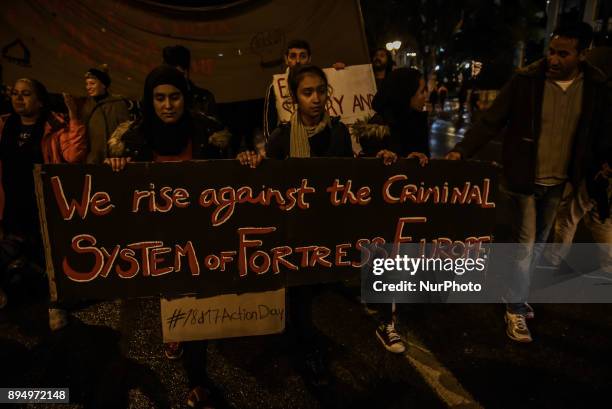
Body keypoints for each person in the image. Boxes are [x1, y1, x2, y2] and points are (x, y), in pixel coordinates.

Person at [445, 22, 610, 343]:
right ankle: (516, 309)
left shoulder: (595, 87)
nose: (554, 59)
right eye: (551, 51)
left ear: (583, 54)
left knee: (538, 245)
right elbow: (492, 119)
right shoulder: (526, 81)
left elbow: (600, 132)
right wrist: (460, 152)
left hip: (559, 182)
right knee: (526, 245)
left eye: (563, 53)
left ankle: (514, 293)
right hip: (523, 180)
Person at [106, 65, 230, 408]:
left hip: (201, 232)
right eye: (159, 98)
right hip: (156, 235)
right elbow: (117, 191)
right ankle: (176, 330)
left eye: (174, 97)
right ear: (150, 100)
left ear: (184, 98)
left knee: (193, 298)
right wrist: (116, 167)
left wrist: (247, 157)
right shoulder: (133, 139)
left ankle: (197, 380)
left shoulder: (208, 132)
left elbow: (231, 172)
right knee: (172, 293)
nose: (167, 105)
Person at [239, 64, 353, 387]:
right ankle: (306, 350)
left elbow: (354, 179)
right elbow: (270, 187)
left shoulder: (340, 133)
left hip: (327, 231)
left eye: (321, 91)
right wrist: (253, 162)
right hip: (295, 234)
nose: (316, 99)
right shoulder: (281, 139)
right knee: (300, 296)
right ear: (293, 98)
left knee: (316, 292)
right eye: (308, 92)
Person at [354, 67, 430, 354]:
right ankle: (386, 323)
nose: (425, 95)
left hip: (407, 208)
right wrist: (379, 158)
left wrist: (419, 159)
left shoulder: (417, 120)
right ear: (404, 94)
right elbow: (363, 169)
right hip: (381, 213)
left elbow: (422, 157)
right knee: (387, 258)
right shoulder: (377, 127)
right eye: (420, 90)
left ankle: (383, 304)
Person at [0, 78, 86, 327]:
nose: (18, 98)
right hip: (11, 205)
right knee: (10, 248)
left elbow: (74, 156)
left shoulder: (55, 124)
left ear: (39, 101)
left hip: (44, 206)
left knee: (52, 259)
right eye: (15, 93)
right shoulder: (5, 124)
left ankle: (56, 305)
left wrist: (75, 118)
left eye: (26, 94)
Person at [263, 39, 346, 142]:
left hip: (321, 138)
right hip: (291, 143)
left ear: (309, 59)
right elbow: (269, 125)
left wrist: (340, 74)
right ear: (286, 59)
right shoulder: (275, 86)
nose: (297, 61)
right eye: (293, 56)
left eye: (302, 56)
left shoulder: (320, 79)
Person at [82, 65, 130, 164]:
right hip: (93, 161)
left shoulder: (118, 104)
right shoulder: (86, 106)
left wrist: (120, 155)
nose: (88, 87)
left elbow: (125, 131)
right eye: (87, 84)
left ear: (103, 85)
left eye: (92, 83)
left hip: (115, 161)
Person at [163, 45, 218, 119]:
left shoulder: (203, 98)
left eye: (173, 75)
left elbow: (212, 127)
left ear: (184, 73)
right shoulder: (158, 97)